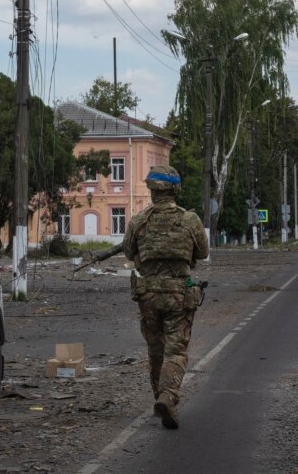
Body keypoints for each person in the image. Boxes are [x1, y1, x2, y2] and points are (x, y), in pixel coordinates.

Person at [96, 165, 209, 429]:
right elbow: (202, 253)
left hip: (147, 295)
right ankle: (168, 396)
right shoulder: (189, 220)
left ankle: (160, 397)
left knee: (155, 350)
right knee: (176, 350)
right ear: (175, 189)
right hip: (179, 295)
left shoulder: (138, 220)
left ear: (151, 189)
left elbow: (128, 252)